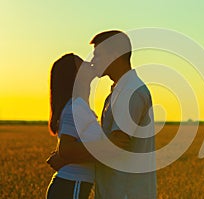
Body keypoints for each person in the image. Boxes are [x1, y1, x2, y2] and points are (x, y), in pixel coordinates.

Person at [47, 30, 157, 199]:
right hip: (116, 190)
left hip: (126, 192)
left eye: (98, 55)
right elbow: (109, 145)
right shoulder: (118, 92)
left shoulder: (129, 92)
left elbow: (116, 146)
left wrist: (67, 155)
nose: (92, 61)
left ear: (115, 56)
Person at [46, 53, 101, 199]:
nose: (89, 64)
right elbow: (66, 149)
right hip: (71, 185)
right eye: (82, 64)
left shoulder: (79, 106)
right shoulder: (75, 107)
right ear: (74, 77)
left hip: (72, 185)